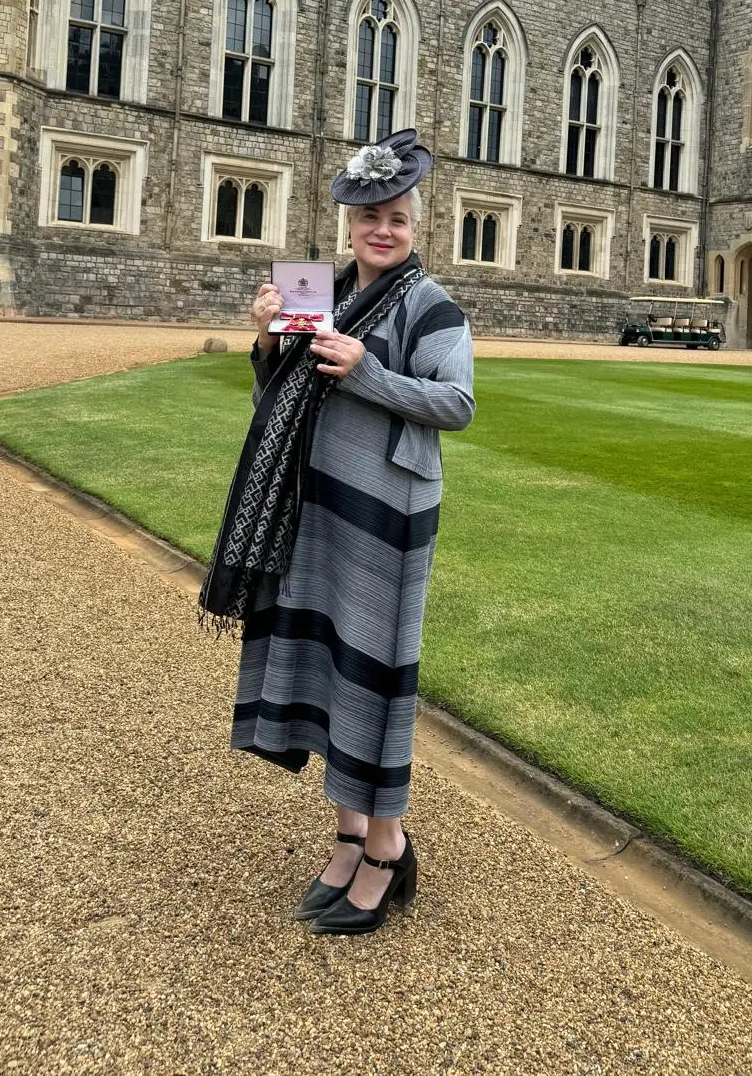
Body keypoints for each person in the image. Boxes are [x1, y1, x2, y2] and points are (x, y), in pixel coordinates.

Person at [199, 129, 475, 936]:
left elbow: (456, 405)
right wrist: (265, 336)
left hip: (386, 510)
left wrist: (370, 371)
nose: (381, 231)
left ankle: (388, 849)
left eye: (395, 218)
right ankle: (351, 832)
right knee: (329, 660)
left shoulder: (433, 305)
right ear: (348, 226)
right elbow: (277, 395)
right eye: (368, 219)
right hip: (315, 505)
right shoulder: (319, 290)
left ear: (415, 224)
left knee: (374, 667)